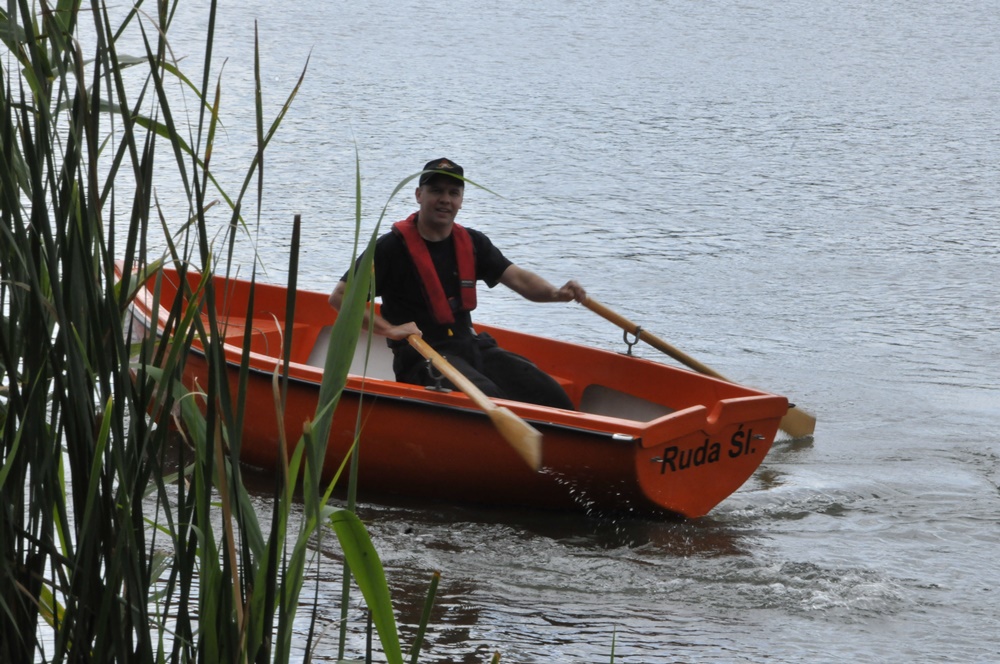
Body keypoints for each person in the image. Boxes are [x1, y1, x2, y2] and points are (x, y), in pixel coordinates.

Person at [328, 157, 586, 410]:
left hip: (471, 347)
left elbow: (518, 278)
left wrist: (556, 293)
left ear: (461, 200)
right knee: (488, 397)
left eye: (453, 193)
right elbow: (340, 297)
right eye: (436, 191)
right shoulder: (391, 248)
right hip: (422, 357)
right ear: (419, 195)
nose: (445, 199)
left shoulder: (473, 243)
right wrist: (389, 330)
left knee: (550, 394)